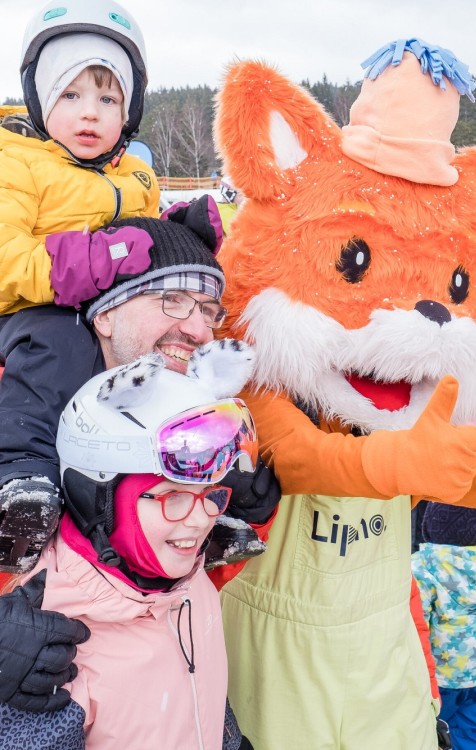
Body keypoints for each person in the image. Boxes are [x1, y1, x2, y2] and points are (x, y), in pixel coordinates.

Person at [0, 203, 282, 715]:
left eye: (207, 310)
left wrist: (246, 518)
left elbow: (172, 577)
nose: (197, 330)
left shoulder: (197, 419)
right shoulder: (15, 403)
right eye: (171, 300)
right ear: (105, 313)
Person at [0, 344, 257, 749]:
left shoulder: (189, 582)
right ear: (96, 498)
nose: (201, 518)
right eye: (172, 496)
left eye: (211, 494)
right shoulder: (51, 653)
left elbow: (197, 693)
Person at [0, 0, 159, 567]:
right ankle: (22, 479)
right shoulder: (18, 164)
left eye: (108, 98)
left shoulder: (136, 177)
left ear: (129, 109)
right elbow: (5, 263)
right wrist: (91, 258)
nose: (89, 114)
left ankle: (186, 489)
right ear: (41, 97)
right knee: (60, 343)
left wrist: (180, 237)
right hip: (32, 310)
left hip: (110, 313)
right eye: (70, 95)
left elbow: (148, 240)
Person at [412, 502, 476, 750]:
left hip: (441, 676)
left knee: (430, 732)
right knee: (472, 729)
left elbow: (415, 622)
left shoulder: (425, 568)